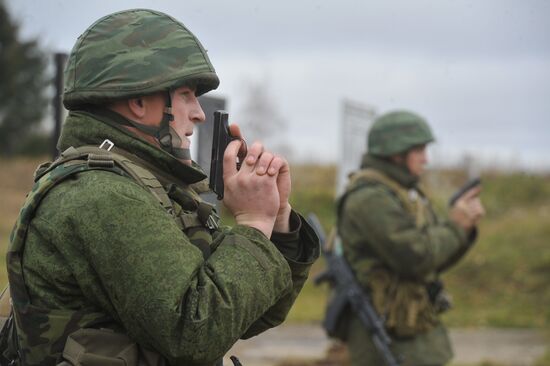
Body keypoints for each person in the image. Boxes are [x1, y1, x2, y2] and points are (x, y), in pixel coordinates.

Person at [1, 9, 319, 366]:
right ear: (139, 102)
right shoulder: (100, 195)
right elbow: (195, 332)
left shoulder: (148, 190)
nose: (198, 113)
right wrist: (252, 222)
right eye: (186, 94)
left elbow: (246, 315)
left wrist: (276, 221)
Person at [336, 110, 484, 365]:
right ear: (396, 152)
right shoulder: (370, 198)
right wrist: (456, 227)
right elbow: (416, 256)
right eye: (419, 150)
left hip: (414, 330)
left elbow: (434, 260)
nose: (426, 159)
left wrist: (463, 228)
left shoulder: (405, 193)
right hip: (386, 336)